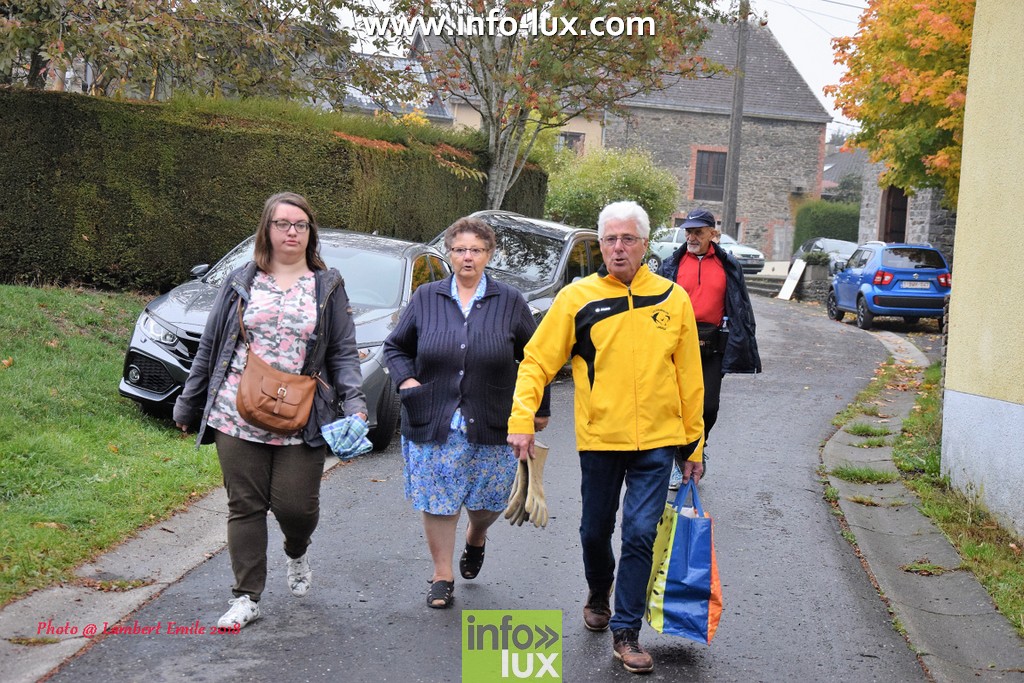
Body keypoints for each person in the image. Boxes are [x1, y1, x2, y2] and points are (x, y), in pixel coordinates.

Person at [507, 200, 704, 674]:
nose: (618, 248)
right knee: (595, 530)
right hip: (600, 439)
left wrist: (694, 445)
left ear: (645, 244)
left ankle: (626, 631)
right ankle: (600, 586)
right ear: (601, 245)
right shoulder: (578, 298)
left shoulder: (672, 299)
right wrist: (520, 419)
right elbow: (537, 361)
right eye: (610, 240)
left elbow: (689, 377)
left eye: (628, 239)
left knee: (639, 533)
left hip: (658, 441)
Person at [173, 192, 366, 630]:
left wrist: (354, 406)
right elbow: (211, 344)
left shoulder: (327, 284)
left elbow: (343, 352)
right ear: (268, 229)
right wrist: (189, 401)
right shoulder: (243, 279)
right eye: (283, 224)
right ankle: (246, 596)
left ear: (310, 232)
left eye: (301, 224)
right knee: (245, 504)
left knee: (296, 507)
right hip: (236, 410)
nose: (292, 232)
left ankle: (296, 550)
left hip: (303, 414)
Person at [383, 216, 550, 609]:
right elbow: (395, 348)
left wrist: (538, 408)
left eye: (476, 249)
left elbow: (536, 357)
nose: (467, 257)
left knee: (487, 502)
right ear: (449, 254)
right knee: (438, 501)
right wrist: (407, 382)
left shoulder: (509, 301)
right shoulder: (427, 297)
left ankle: (477, 535)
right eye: (460, 249)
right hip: (433, 418)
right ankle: (442, 574)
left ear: (489, 254)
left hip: (493, 420)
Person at [659, 207, 762, 489]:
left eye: (698, 232)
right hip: (676, 345)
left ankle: (696, 447)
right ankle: (679, 459)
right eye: (688, 232)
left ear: (712, 234)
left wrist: (743, 342)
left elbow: (740, 307)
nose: (691, 237)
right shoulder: (671, 264)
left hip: (712, 345)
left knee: (709, 406)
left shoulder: (728, 265)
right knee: (675, 405)